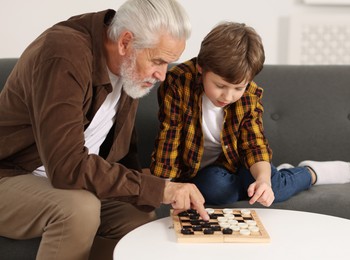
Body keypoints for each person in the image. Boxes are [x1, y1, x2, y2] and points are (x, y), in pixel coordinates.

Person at [0, 0, 209, 259]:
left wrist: (155, 194)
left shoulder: (130, 68)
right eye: (158, 61)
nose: (162, 75)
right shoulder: (64, 53)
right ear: (125, 42)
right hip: (10, 174)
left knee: (138, 217)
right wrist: (160, 188)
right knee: (80, 209)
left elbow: (123, 154)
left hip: (64, 179)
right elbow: (66, 166)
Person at [150, 22, 350, 207]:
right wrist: (165, 188)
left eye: (238, 88)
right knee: (214, 187)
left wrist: (263, 180)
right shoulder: (177, 83)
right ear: (201, 67)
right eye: (220, 85)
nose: (228, 96)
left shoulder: (249, 95)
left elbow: (254, 145)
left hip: (238, 163)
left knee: (272, 188)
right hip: (202, 172)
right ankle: (271, 176)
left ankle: (310, 174)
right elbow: (170, 137)